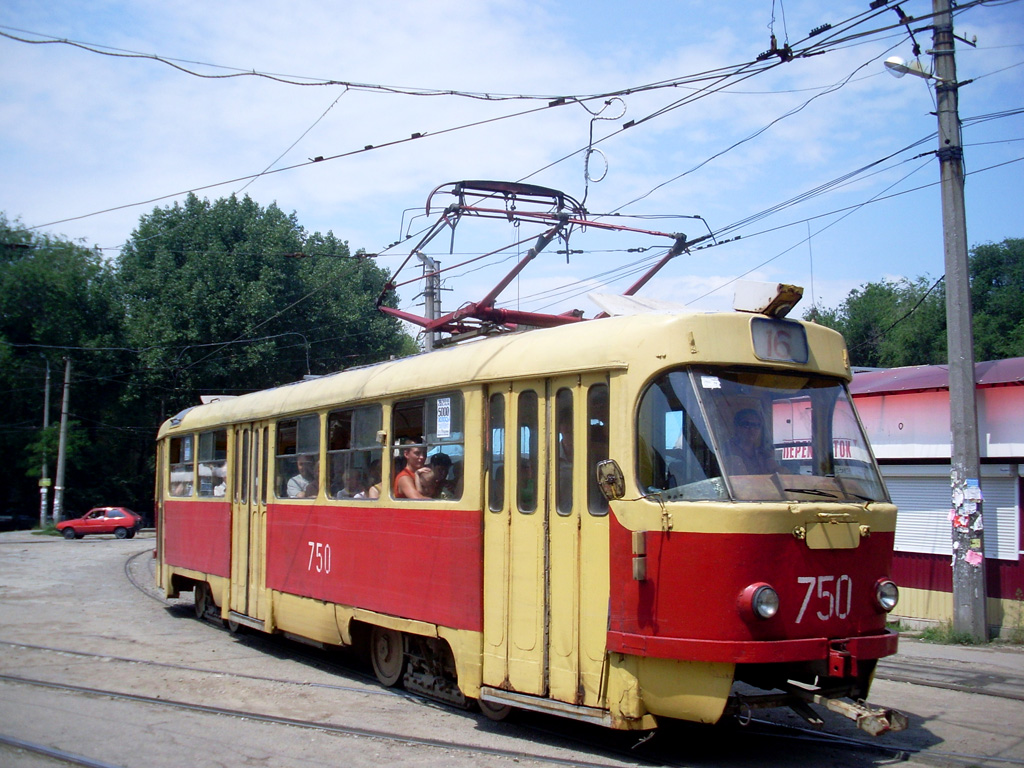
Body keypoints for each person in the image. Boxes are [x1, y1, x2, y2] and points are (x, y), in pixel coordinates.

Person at [723, 408, 777, 475]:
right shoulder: (726, 450)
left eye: (756, 425)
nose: (752, 429)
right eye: (746, 424)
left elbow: (778, 474)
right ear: (736, 427)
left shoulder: (763, 453)